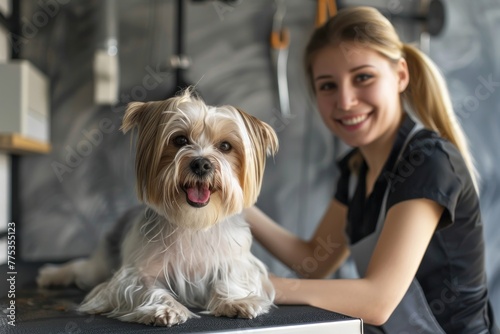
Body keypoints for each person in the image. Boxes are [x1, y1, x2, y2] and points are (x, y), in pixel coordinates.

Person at [244, 6, 499, 334]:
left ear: (400, 75)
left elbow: (377, 300)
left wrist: (259, 286)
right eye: (327, 86)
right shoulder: (356, 171)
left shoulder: (428, 162)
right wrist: (236, 208)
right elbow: (314, 261)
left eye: (363, 77)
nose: (345, 101)